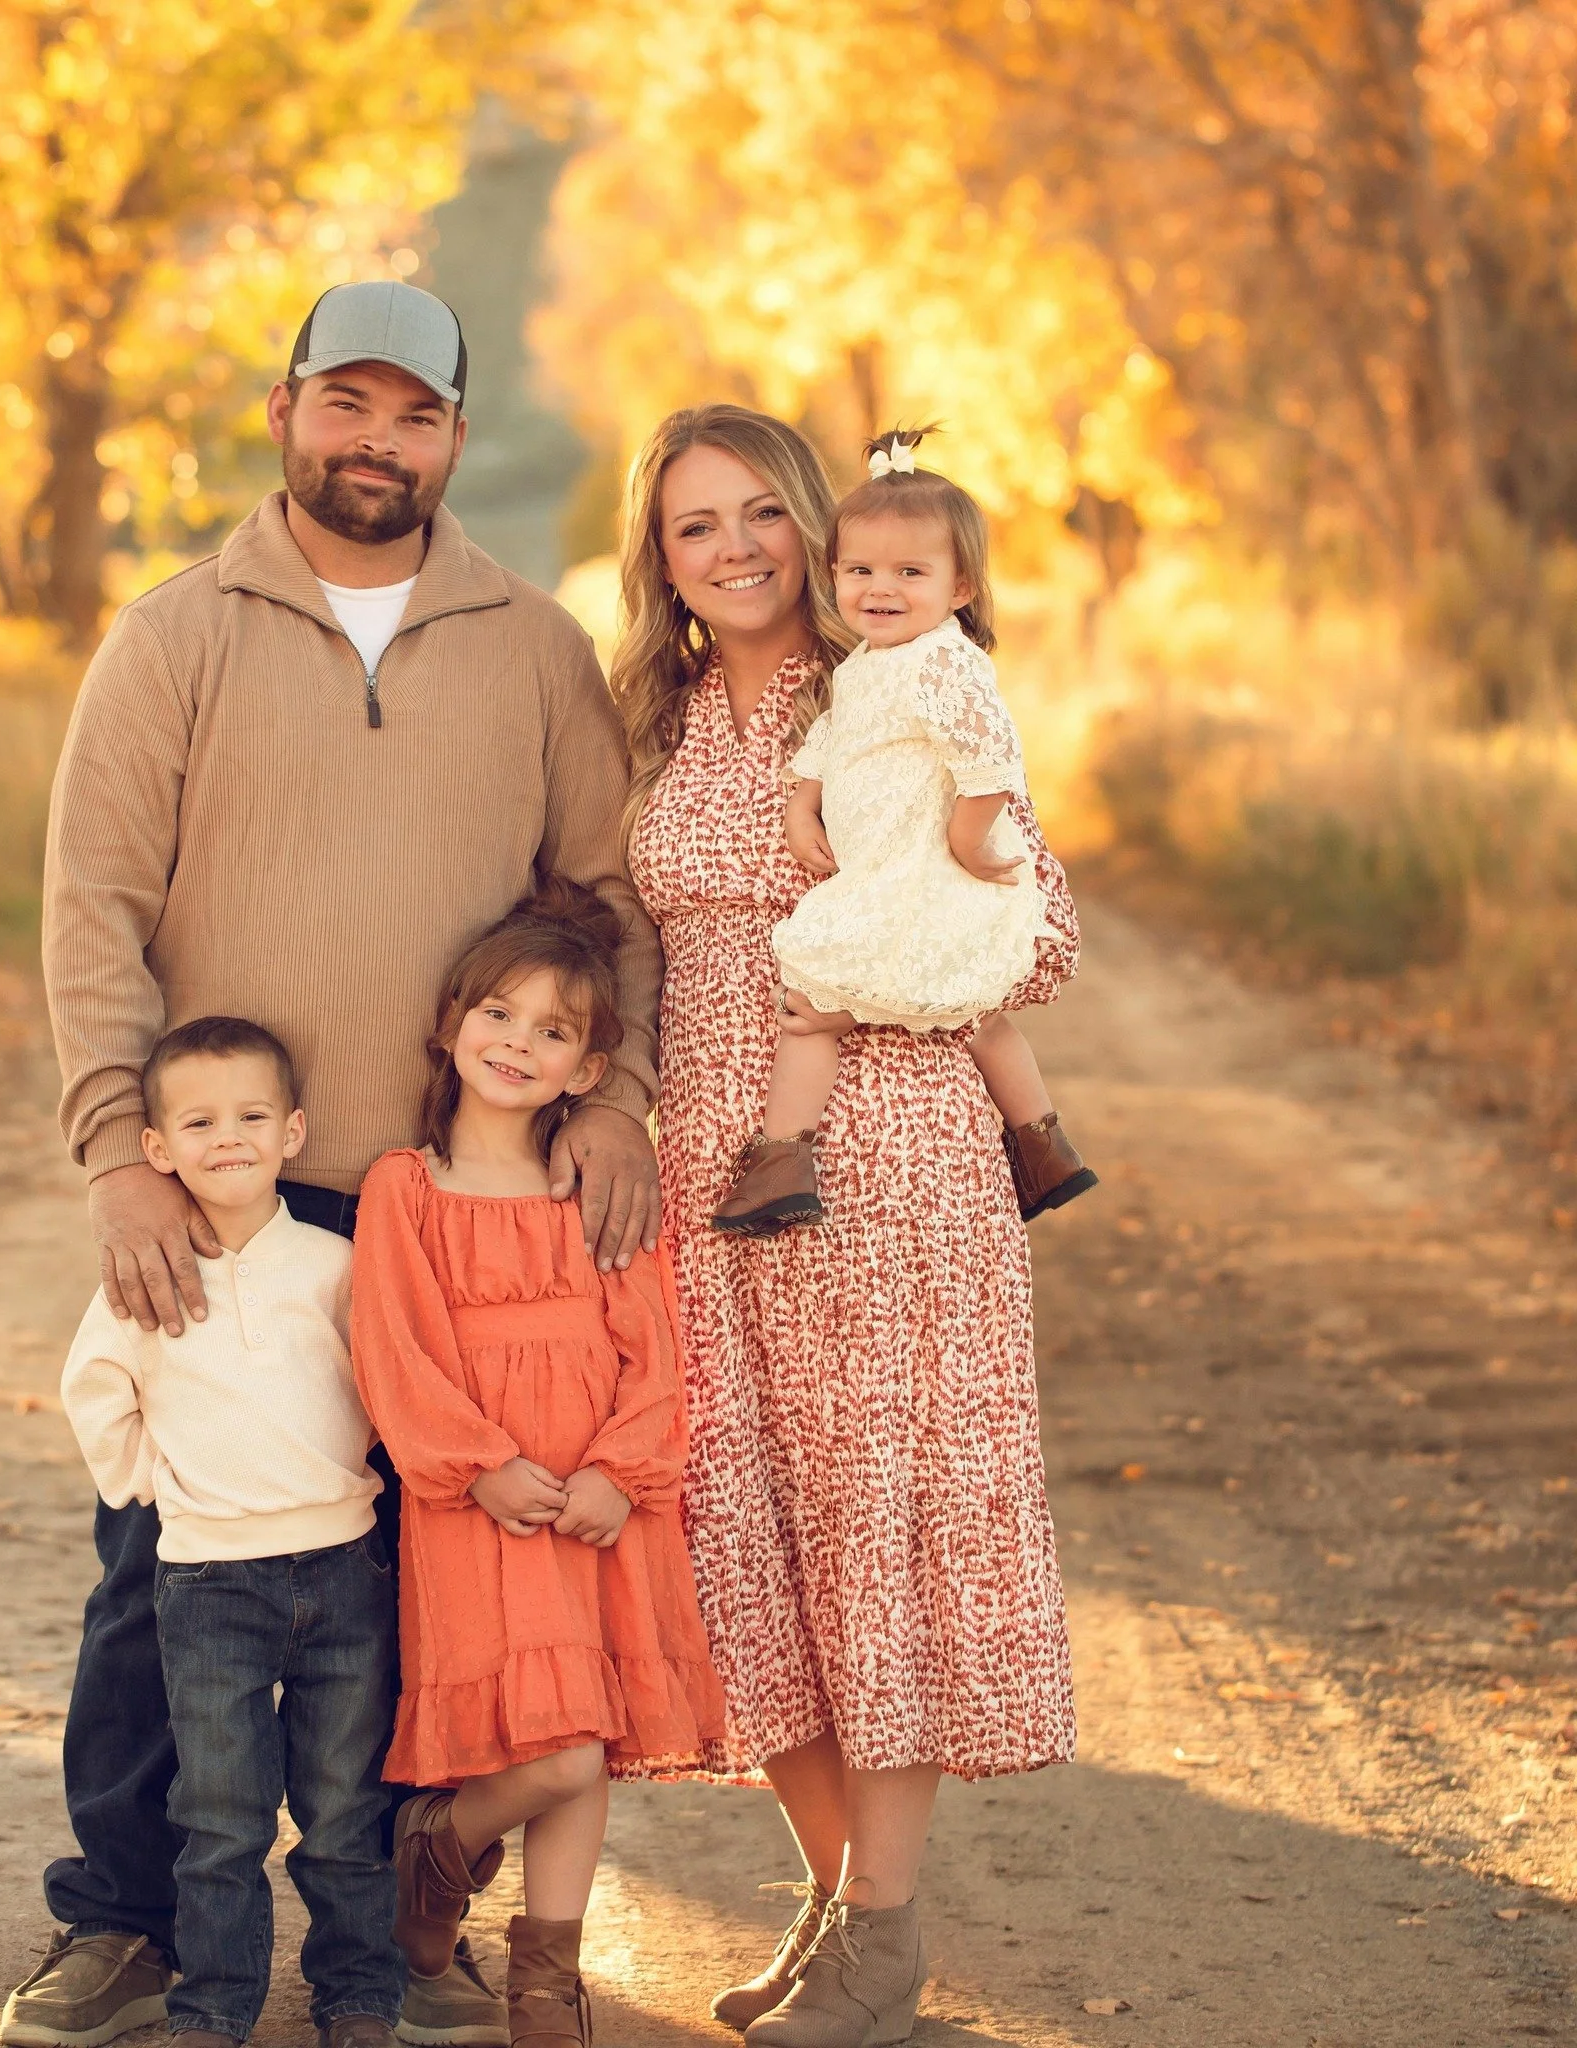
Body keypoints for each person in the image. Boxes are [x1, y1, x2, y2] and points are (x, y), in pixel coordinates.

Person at [9, 279, 663, 2048]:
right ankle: (125, 1917)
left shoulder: (529, 643)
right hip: (230, 1198)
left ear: (454, 431)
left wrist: (615, 1096)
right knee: (167, 1569)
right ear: (288, 408)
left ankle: (396, 1933)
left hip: (458, 1203)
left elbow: (604, 901)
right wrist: (117, 1155)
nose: (377, 440)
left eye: (415, 413)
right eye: (344, 404)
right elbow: (95, 913)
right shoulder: (172, 635)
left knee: (419, 1588)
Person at [615, 405, 1077, 2047]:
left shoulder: (893, 672)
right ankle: (834, 1902)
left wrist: (902, 934)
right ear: (656, 559)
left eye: (758, 512)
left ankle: (881, 1932)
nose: (732, 546)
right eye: (693, 525)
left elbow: (1038, 927)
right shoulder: (652, 713)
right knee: (747, 1536)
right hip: (712, 1184)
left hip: (886, 1165)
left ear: (814, 526)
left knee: (875, 1528)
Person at [349, 881, 724, 2048]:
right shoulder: (403, 1187)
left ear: (586, 1067)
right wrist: (476, 1463)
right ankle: (441, 1840)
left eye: (552, 1031)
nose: (517, 1043)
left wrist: (624, 1466)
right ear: (451, 1021)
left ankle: (545, 1986)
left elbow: (652, 1344)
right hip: (484, 1508)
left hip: (597, 1505)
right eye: (499, 1015)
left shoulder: (590, 1185)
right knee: (555, 1753)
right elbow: (394, 1351)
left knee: (590, 1738)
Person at [58, 1016, 400, 2048]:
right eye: (198, 1121)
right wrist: (147, 1483)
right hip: (207, 1581)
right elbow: (92, 1390)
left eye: (251, 1115)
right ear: (157, 1147)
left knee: (344, 1814)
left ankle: (359, 1997)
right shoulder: (148, 1273)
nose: (228, 1137)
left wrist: (359, 1470)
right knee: (220, 1819)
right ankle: (213, 2007)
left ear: (293, 1130)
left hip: (343, 1566)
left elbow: (388, 1378)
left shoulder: (336, 1264)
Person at [712, 426, 1097, 1235]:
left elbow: (989, 755)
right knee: (980, 1018)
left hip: (926, 871)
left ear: (961, 587)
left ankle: (783, 1153)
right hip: (892, 871)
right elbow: (833, 736)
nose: (878, 589)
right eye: (859, 571)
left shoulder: (943, 663)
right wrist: (801, 797)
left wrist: (966, 840)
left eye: (908, 573)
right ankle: (1041, 1145)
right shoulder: (867, 665)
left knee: (811, 998)